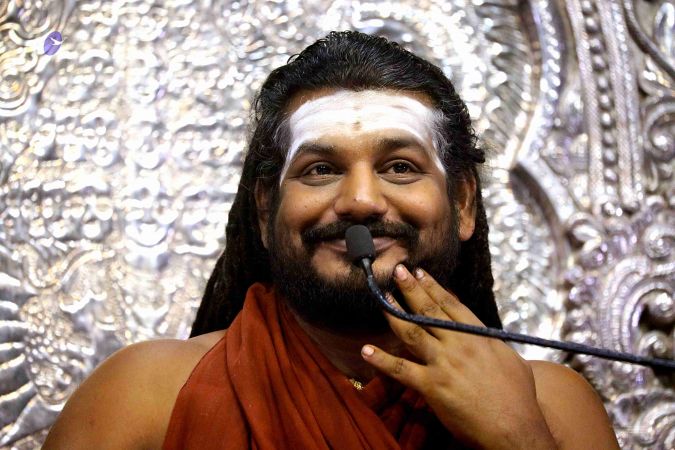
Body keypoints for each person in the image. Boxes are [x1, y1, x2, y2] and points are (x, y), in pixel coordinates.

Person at [44, 31, 620, 449]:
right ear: (266, 207)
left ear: (463, 202)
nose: (361, 201)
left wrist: (521, 438)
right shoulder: (145, 395)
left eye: (400, 167)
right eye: (320, 170)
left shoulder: (552, 408)